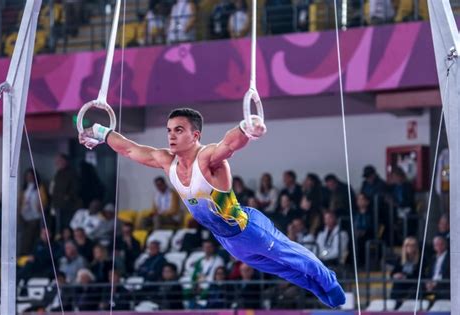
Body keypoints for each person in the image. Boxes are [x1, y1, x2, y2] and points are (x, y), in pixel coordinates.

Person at [79, 107, 345, 308]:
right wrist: (100, 133)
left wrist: (247, 129)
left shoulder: (206, 159)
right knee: (283, 270)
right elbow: (129, 150)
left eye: (179, 130)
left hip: (249, 229)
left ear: (195, 135)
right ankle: (322, 293)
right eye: (169, 130)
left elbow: (228, 145)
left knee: (293, 257)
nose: (171, 135)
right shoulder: (166, 161)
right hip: (228, 241)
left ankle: (330, 283)